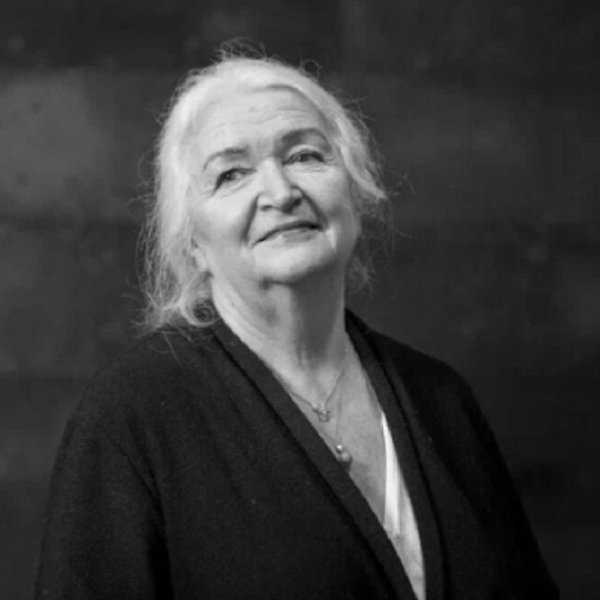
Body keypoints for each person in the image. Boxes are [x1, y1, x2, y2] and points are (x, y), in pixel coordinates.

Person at [35, 54, 558, 599]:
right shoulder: (131, 416)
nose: (280, 192)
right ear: (192, 243)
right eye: (231, 174)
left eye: (305, 155)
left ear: (354, 195)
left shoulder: (441, 399)